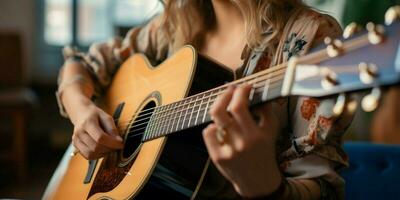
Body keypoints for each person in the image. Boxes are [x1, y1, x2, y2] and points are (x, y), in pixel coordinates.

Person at [56, 0, 353, 199]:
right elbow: (83, 64)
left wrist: (264, 188)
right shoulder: (172, 27)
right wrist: (81, 109)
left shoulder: (309, 37)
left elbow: (323, 189)